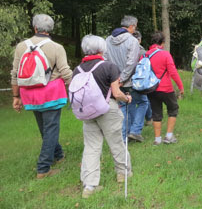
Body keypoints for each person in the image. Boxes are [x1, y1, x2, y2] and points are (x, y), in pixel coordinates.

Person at [10, 14, 73, 179]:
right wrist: (74, 86)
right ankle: (43, 168)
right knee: (51, 128)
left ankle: (58, 155)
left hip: (29, 94)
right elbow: (65, 71)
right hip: (51, 93)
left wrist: (16, 96)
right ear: (51, 29)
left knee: (45, 128)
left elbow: (15, 73)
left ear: (35, 28)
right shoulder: (56, 47)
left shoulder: (21, 46)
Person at [74, 35, 132, 198]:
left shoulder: (77, 69)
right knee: (116, 142)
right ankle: (123, 173)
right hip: (108, 110)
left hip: (87, 112)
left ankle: (90, 186)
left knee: (91, 147)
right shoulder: (109, 67)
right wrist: (126, 98)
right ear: (102, 48)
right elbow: (116, 92)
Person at [105, 15, 147, 142]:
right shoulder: (132, 41)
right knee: (142, 102)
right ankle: (133, 131)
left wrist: (114, 79)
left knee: (123, 106)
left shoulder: (108, 40)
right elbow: (131, 63)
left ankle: (123, 137)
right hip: (128, 81)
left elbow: (105, 59)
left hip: (113, 81)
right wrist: (122, 79)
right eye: (135, 27)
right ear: (131, 27)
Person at [145, 32, 184, 145]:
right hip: (166, 88)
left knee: (156, 113)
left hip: (151, 89)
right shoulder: (165, 54)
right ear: (162, 42)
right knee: (173, 109)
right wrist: (180, 86)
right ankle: (169, 136)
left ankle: (157, 139)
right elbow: (173, 72)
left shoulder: (145, 55)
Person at [132, 30, 152, 126]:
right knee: (144, 100)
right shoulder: (143, 52)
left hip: (127, 80)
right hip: (140, 80)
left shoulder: (125, 49)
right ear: (139, 40)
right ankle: (148, 118)